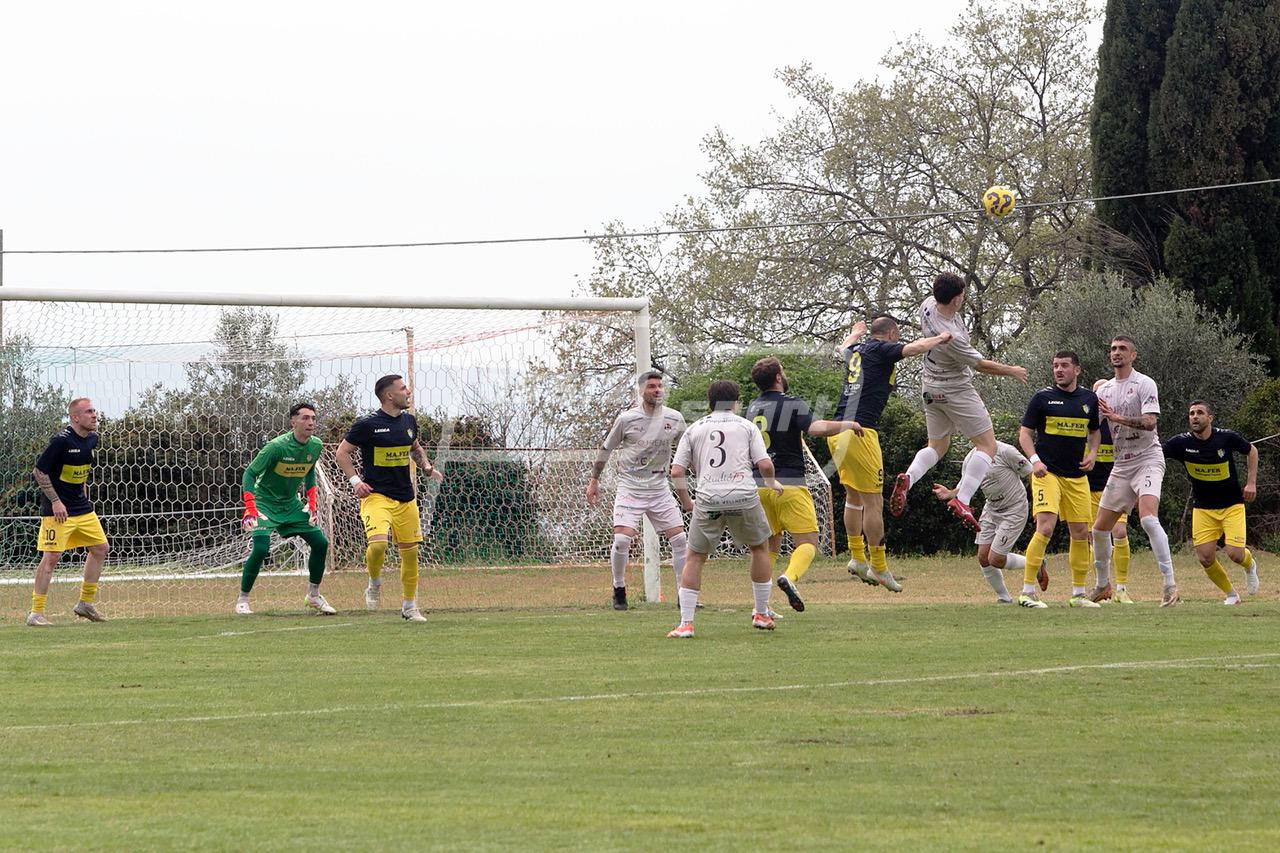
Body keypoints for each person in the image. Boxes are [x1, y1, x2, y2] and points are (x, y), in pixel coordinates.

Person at [890, 273, 1028, 532]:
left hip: (930, 387)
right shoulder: (953, 337)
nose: (964, 298)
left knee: (937, 445)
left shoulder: (928, 306)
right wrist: (1012, 370)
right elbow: (981, 365)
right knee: (987, 446)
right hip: (956, 389)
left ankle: (909, 477)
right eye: (962, 294)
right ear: (955, 299)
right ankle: (963, 500)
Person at [829, 315, 953, 593]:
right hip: (861, 431)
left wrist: (854, 332)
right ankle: (880, 567)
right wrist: (941, 338)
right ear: (892, 333)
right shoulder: (880, 348)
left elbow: (843, 348)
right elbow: (915, 348)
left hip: (837, 431)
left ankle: (857, 558)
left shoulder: (857, 350)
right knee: (874, 502)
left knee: (853, 496)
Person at [744, 356, 861, 612]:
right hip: (789, 483)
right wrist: (848, 424)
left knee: (767, 547)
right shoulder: (791, 404)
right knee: (808, 543)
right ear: (778, 377)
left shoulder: (751, 408)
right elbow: (816, 429)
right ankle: (790, 577)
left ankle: (760, 608)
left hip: (759, 485)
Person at [666, 380, 782, 638]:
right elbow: (764, 464)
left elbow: (676, 471)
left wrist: (686, 502)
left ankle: (686, 623)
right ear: (735, 402)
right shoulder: (746, 426)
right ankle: (761, 613)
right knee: (760, 548)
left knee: (695, 556)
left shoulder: (695, 428)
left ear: (710, 401)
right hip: (743, 495)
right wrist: (772, 483)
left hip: (708, 498)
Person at [335, 374, 444, 623]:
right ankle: (374, 583)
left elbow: (415, 447)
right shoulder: (367, 424)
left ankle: (409, 606)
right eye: (403, 388)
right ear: (389, 395)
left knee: (410, 553)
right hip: (376, 497)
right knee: (379, 545)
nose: (408, 392)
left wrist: (426, 467)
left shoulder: (409, 421)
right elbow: (341, 452)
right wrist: (356, 482)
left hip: (406, 498)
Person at [1090, 336, 1180, 607]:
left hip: (1148, 459)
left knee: (1148, 519)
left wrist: (1116, 418)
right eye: (1113, 349)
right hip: (1122, 464)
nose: (1117, 353)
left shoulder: (1144, 383)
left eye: (1122, 349)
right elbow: (1093, 429)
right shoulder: (1103, 391)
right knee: (1098, 529)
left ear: (1133, 355)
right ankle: (1103, 585)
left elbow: (1150, 423)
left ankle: (1170, 586)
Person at [586, 370, 688, 611]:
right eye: (652, 386)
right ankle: (619, 588)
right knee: (622, 540)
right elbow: (605, 450)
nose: (657, 390)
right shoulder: (627, 419)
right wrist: (594, 480)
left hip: (659, 487)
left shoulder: (674, 418)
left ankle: (684, 593)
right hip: (630, 486)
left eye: (660, 386)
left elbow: (687, 449)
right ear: (641, 391)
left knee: (680, 539)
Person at [1016, 351, 1101, 608]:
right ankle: (1027, 592)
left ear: (1077, 370)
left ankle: (1078, 594)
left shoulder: (1089, 399)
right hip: (1047, 474)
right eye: (1055, 366)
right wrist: (1035, 461)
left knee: (1081, 532)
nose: (1059, 370)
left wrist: (1093, 453)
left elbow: (1094, 432)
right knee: (1045, 527)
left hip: (1077, 477)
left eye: (1064, 365)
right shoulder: (1043, 398)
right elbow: (1024, 435)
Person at [236, 402, 335, 616]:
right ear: (293, 421)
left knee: (320, 543)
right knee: (261, 549)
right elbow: (249, 474)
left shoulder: (315, 445)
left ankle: (314, 596)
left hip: (291, 504)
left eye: (313, 418)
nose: (310, 422)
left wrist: (312, 502)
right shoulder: (276, 446)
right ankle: (242, 600)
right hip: (264, 503)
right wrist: (251, 507)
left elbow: (309, 471)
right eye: (305, 418)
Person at [1162, 400, 1260, 605]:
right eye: (1191, 413)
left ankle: (1250, 566)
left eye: (1199, 413)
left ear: (1210, 418)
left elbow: (1252, 451)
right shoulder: (1181, 443)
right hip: (1203, 508)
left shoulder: (1226, 437)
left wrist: (1251, 483)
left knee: (1234, 554)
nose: (1195, 417)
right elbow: (1156, 453)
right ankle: (1232, 595)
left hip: (1232, 505)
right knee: (1205, 558)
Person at [27, 397, 110, 626]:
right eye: (89, 412)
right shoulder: (60, 441)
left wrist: (83, 495)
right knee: (51, 557)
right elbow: (39, 472)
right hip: (58, 511)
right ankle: (36, 613)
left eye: (95, 410)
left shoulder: (92, 439)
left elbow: (79, 472)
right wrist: (55, 501)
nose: (94, 415)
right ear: (75, 417)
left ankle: (85, 603)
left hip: (81, 508)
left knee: (100, 548)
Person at [1086, 379, 1134, 604]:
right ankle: (1102, 585)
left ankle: (1122, 589)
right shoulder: (1087, 424)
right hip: (1087, 489)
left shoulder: (1119, 425)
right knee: (1091, 538)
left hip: (1114, 487)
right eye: (1098, 395)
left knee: (1120, 532)